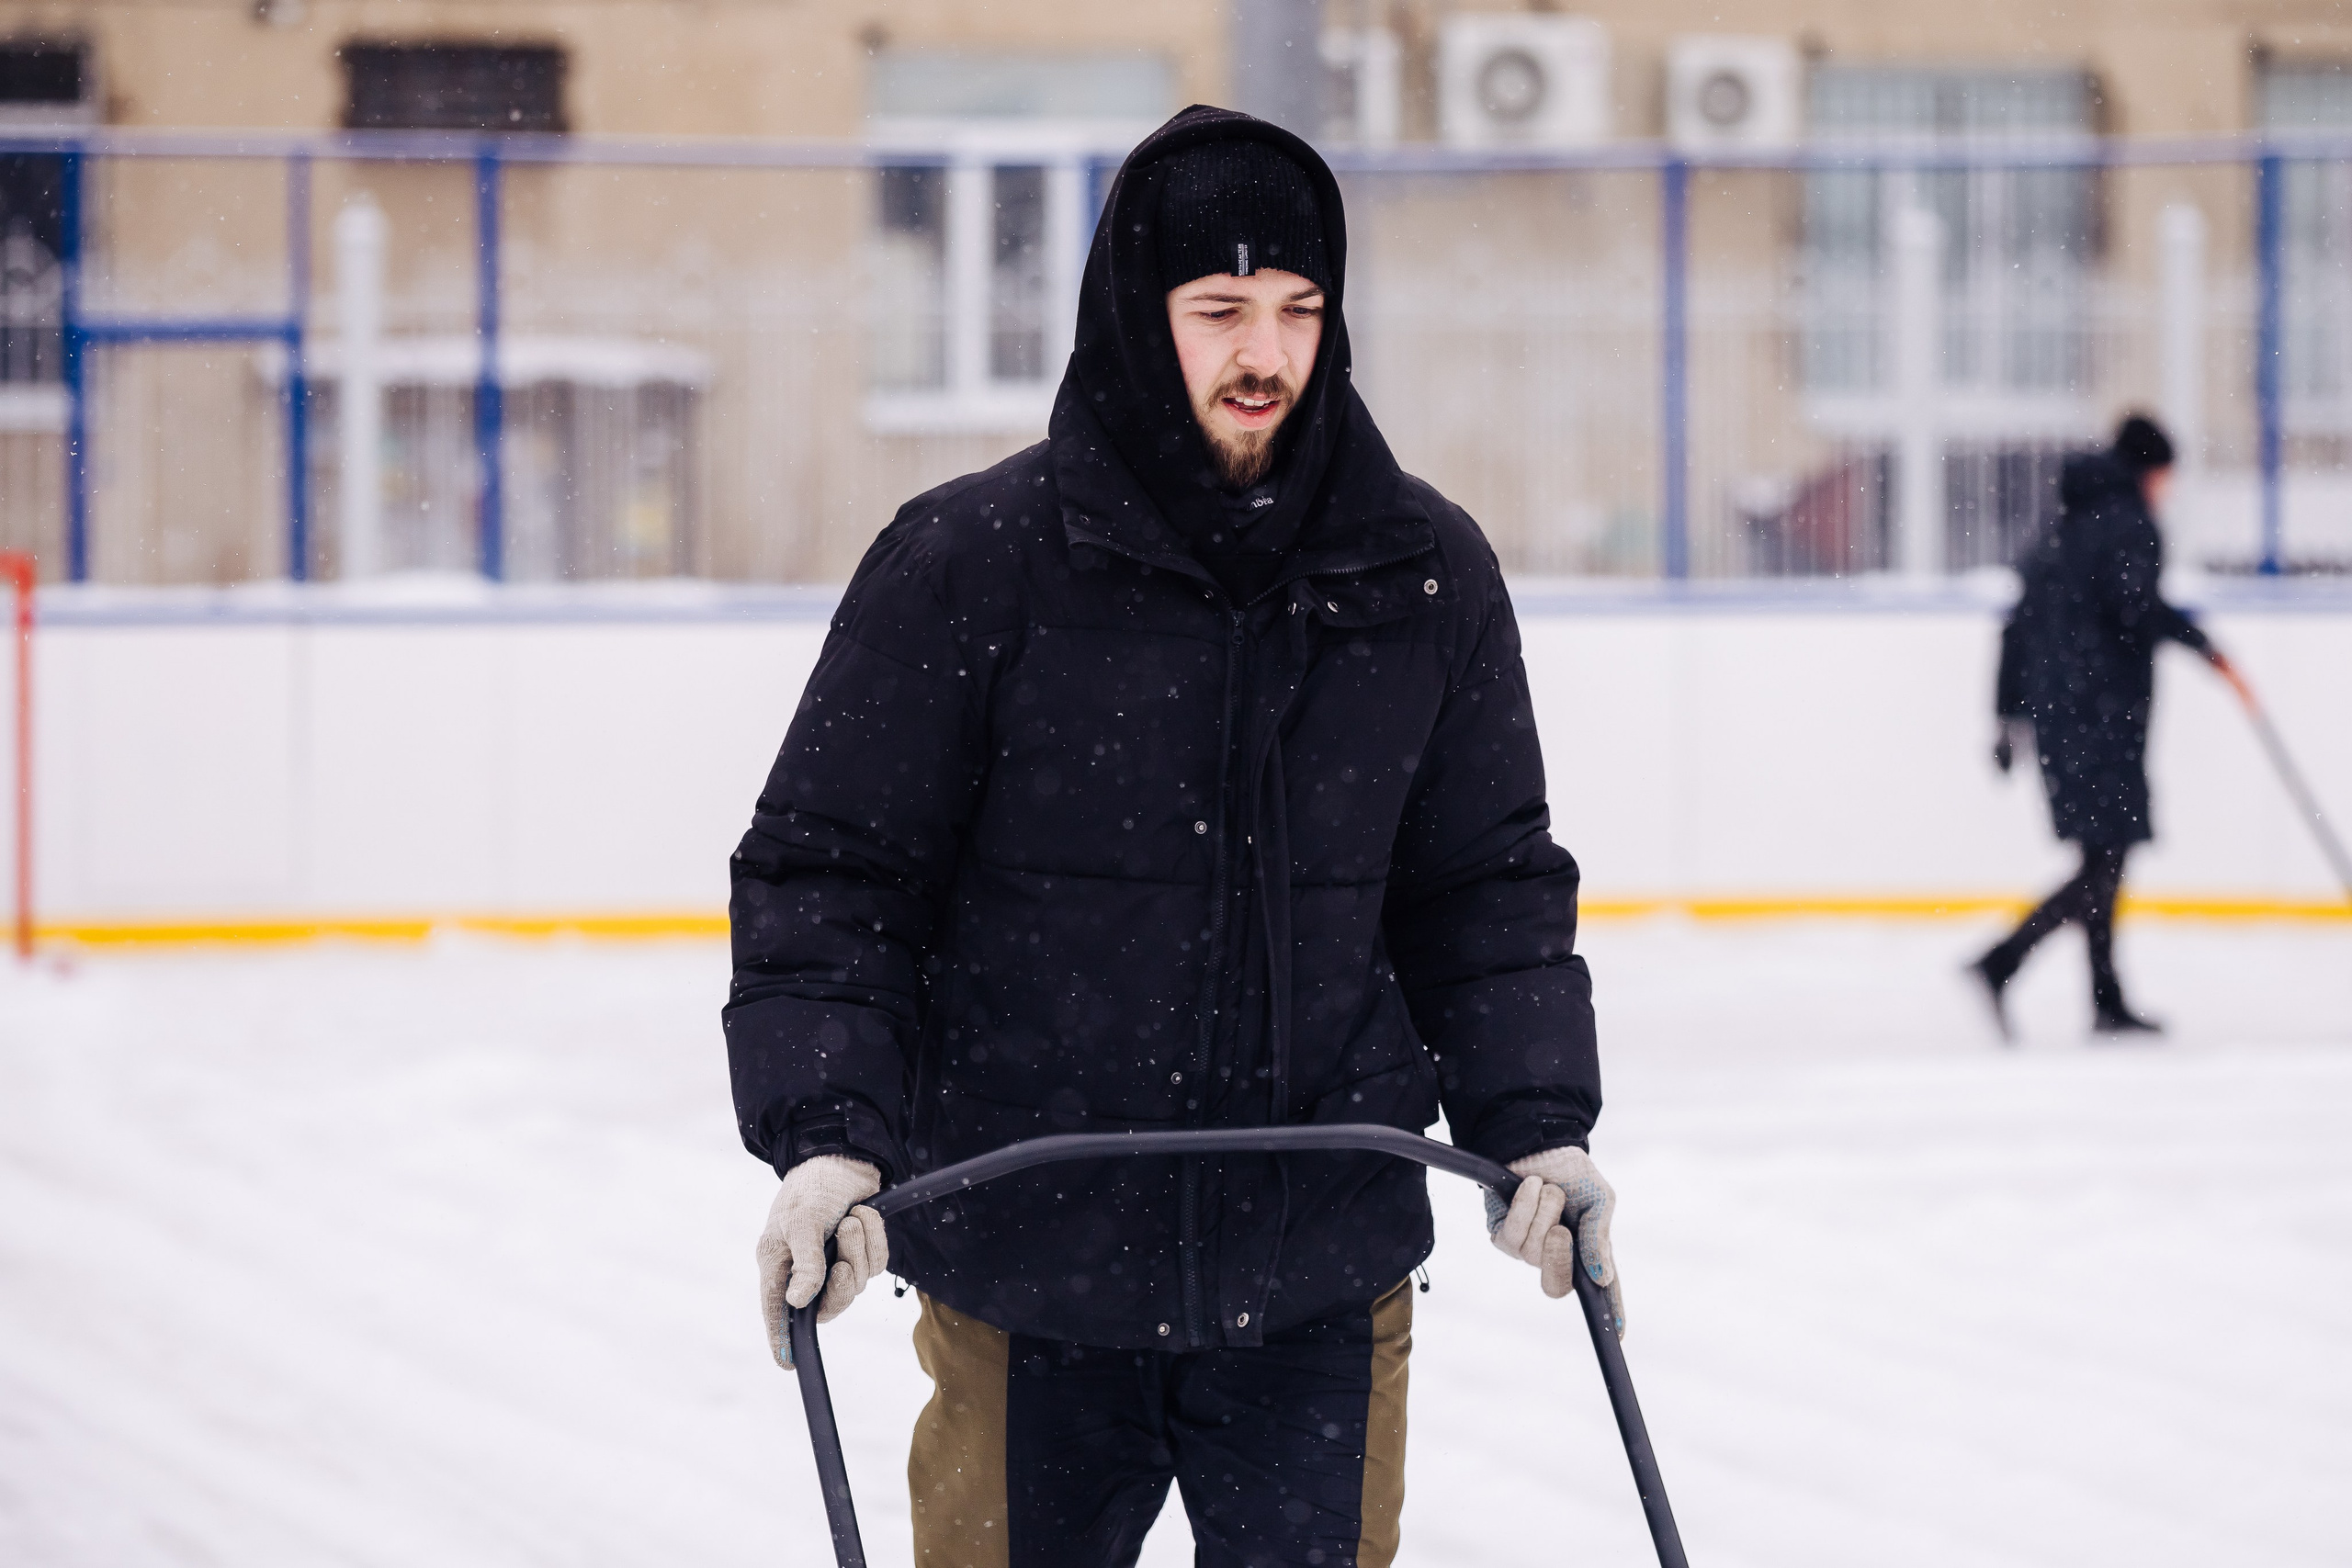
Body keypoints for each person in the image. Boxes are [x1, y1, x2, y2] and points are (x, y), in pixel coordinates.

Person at [725, 106, 1619, 1568]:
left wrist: (1540, 1121)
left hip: (1317, 1269)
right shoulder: (972, 563)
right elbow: (833, 875)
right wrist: (828, 1138)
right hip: (1027, 1267)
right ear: (1139, 319)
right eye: (1221, 311)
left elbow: (1483, 888)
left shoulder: (1422, 573)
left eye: (1299, 309)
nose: (1265, 353)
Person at [1972, 412, 2245, 1038]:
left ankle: (2103, 998)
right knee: (2105, 861)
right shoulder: (2129, 525)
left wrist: (2007, 718)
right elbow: (2136, 607)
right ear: (2152, 470)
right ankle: (2002, 962)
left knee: (2102, 856)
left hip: (2059, 716)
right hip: (2105, 716)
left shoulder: (2060, 529)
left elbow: (2018, 629)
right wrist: (2206, 648)